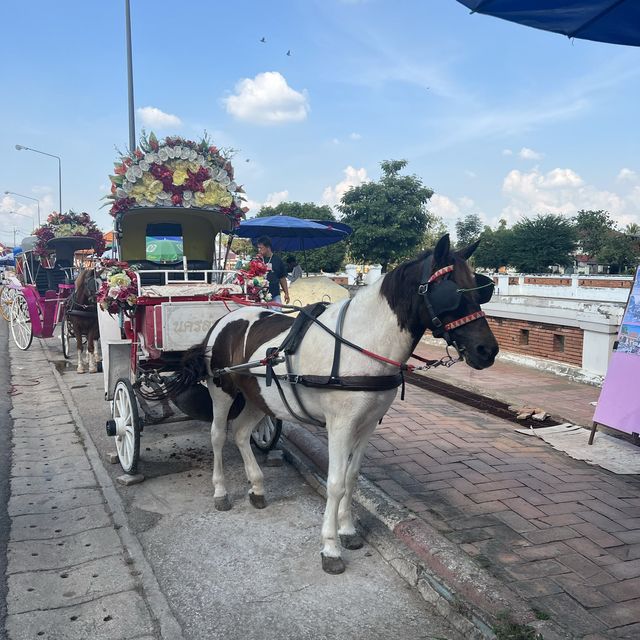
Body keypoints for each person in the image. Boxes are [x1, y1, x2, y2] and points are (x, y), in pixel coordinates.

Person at [256, 236, 289, 304]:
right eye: (258, 248)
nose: (259, 250)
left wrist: (286, 293)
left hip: (275, 294)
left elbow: (282, 278)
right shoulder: (257, 260)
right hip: (259, 296)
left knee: (277, 314)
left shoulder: (278, 260)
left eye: (261, 248)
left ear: (268, 247)